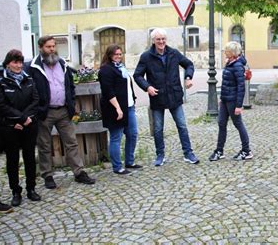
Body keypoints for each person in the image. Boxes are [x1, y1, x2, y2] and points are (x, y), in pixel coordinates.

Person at [27, 35, 95, 189]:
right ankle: (47, 175)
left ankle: (79, 172)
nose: (51, 49)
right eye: (48, 47)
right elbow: (31, 90)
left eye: (53, 46)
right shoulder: (34, 67)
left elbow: (70, 85)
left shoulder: (62, 63)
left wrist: (71, 101)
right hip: (45, 112)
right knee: (44, 145)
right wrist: (38, 108)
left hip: (64, 110)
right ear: (40, 48)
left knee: (71, 142)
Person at [134, 28, 199, 166]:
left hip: (174, 95)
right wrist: (147, 87)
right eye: (158, 39)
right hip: (157, 96)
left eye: (163, 39)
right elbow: (137, 75)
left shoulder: (173, 53)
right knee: (158, 129)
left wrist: (188, 77)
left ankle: (188, 153)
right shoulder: (146, 56)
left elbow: (189, 64)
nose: (161, 41)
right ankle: (160, 155)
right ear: (153, 41)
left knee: (182, 125)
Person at [0, 49, 41, 206]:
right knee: (12, 160)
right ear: (8, 63)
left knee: (29, 157)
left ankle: (31, 188)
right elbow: (2, 105)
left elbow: (35, 100)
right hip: (11, 126)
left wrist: (26, 118)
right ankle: (16, 190)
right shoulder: (1, 82)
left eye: (20, 62)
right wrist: (20, 118)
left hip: (29, 124)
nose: (18, 65)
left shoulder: (28, 79)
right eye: (15, 62)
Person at [98, 45, 140, 175]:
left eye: (120, 54)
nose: (118, 56)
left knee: (132, 134)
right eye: (116, 54)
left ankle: (129, 161)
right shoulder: (105, 70)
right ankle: (117, 166)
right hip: (115, 109)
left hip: (129, 107)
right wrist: (117, 108)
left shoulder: (121, 68)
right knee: (116, 137)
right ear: (109, 55)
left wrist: (132, 99)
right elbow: (108, 91)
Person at [209, 41, 252, 161]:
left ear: (232, 53)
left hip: (233, 101)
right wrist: (222, 99)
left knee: (238, 124)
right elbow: (226, 84)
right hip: (225, 100)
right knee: (221, 123)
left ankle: (246, 151)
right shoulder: (230, 63)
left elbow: (241, 87)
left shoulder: (237, 66)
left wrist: (239, 105)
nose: (225, 52)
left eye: (226, 51)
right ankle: (219, 150)